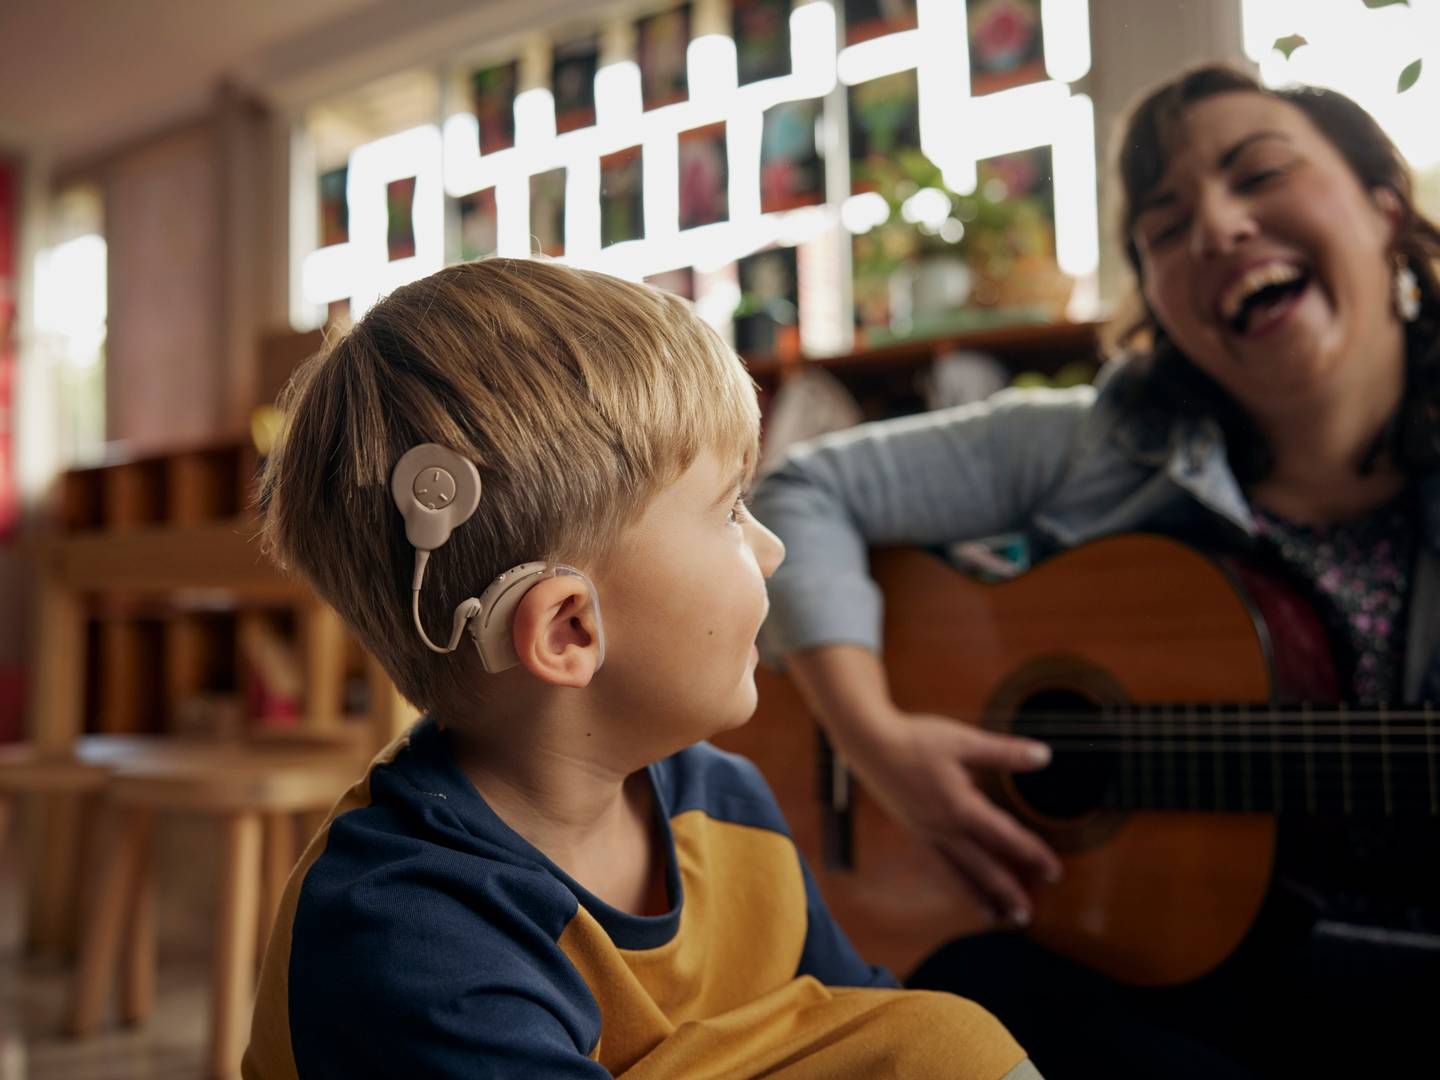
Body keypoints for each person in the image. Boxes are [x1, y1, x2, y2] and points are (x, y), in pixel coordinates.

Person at [752, 64, 1440, 1077]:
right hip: (1144, 995)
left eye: (1258, 174)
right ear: (1157, 299)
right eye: (1164, 228)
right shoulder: (1091, 442)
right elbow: (795, 490)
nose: (1215, 228)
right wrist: (881, 744)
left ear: (1386, 207)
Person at [242, 258, 1041, 1079]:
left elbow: (853, 1034)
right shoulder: (408, 936)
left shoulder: (727, 807)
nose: (773, 551)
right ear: (569, 629)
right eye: (731, 510)